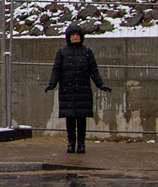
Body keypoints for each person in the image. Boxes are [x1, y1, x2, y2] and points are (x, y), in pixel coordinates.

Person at [43, 22, 111, 154]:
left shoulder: (87, 52)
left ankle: (81, 143)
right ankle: (71, 143)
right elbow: (56, 70)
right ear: (68, 37)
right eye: (72, 35)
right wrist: (52, 84)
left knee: (81, 118)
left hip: (82, 89)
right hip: (67, 90)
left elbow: (93, 70)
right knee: (70, 118)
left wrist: (100, 84)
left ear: (81, 36)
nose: (75, 37)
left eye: (77, 35)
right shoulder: (62, 52)